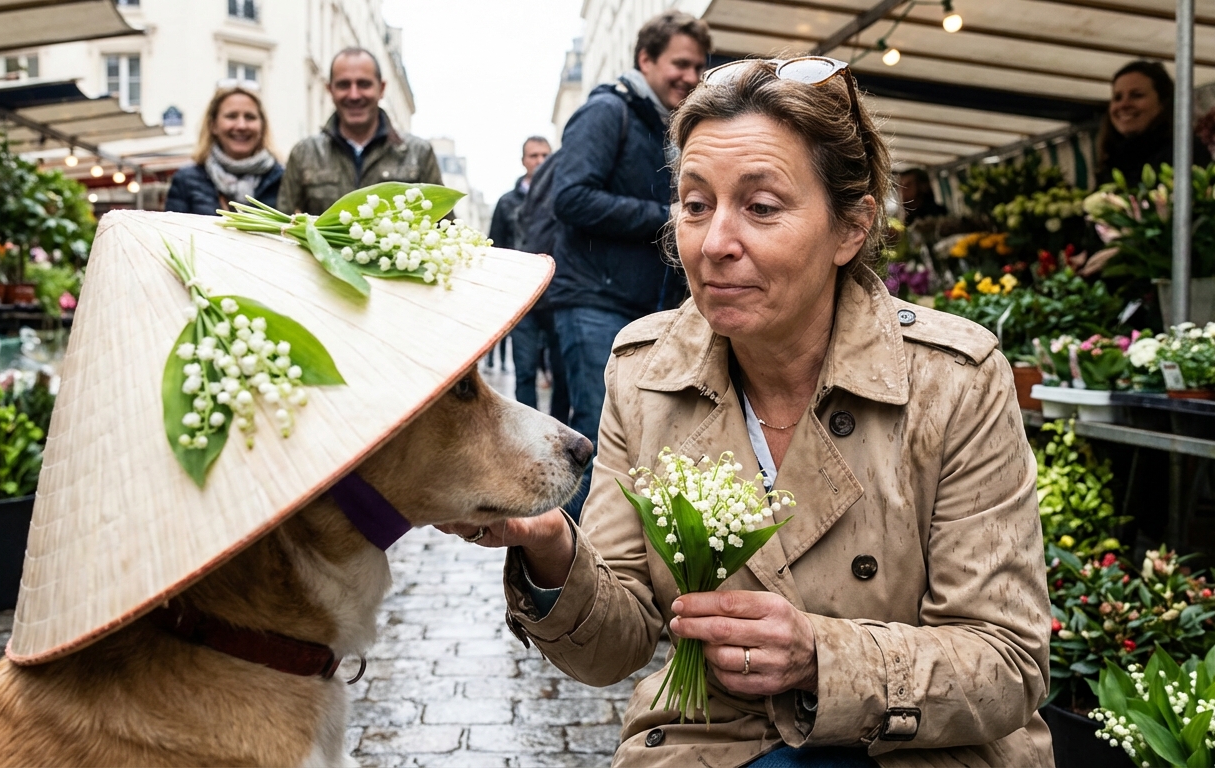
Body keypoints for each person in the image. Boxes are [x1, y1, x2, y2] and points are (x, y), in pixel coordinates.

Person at [441, 57, 1052, 767]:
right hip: (713, 744)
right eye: (696, 204)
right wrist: (551, 545)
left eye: (761, 208)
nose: (715, 242)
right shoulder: (646, 375)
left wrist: (821, 656)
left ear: (851, 229)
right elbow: (617, 643)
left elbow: (1007, 661)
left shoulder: (954, 380)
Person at [549, 10, 710, 518]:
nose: (690, 77)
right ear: (646, 59)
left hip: (640, 306)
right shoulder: (606, 111)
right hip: (593, 301)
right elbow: (570, 196)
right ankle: (564, 578)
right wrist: (663, 216)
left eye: (698, 67)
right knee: (590, 447)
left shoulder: (664, 124)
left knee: (635, 447)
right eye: (680, 64)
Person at [276, 48, 442, 216]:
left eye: (364, 84)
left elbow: (443, 223)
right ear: (330, 90)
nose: (354, 95)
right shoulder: (304, 153)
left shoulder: (419, 153)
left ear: (382, 88)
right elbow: (280, 223)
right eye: (343, 85)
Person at [490, 136, 568, 419]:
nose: (540, 161)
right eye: (534, 156)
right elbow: (495, 246)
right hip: (522, 299)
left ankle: (559, 430)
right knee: (524, 371)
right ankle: (528, 432)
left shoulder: (562, 196)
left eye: (545, 155)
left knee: (561, 372)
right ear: (523, 160)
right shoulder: (506, 203)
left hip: (558, 295)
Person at [165, 84, 282, 215]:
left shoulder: (283, 179)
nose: (241, 125)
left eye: (250, 117)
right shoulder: (186, 180)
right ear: (213, 125)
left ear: (262, 126)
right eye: (231, 116)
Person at [1095, 60, 1213, 186]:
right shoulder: (1112, 159)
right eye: (1117, 97)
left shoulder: (1183, 151)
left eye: (1136, 95)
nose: (1124, 104)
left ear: (1163, 103)